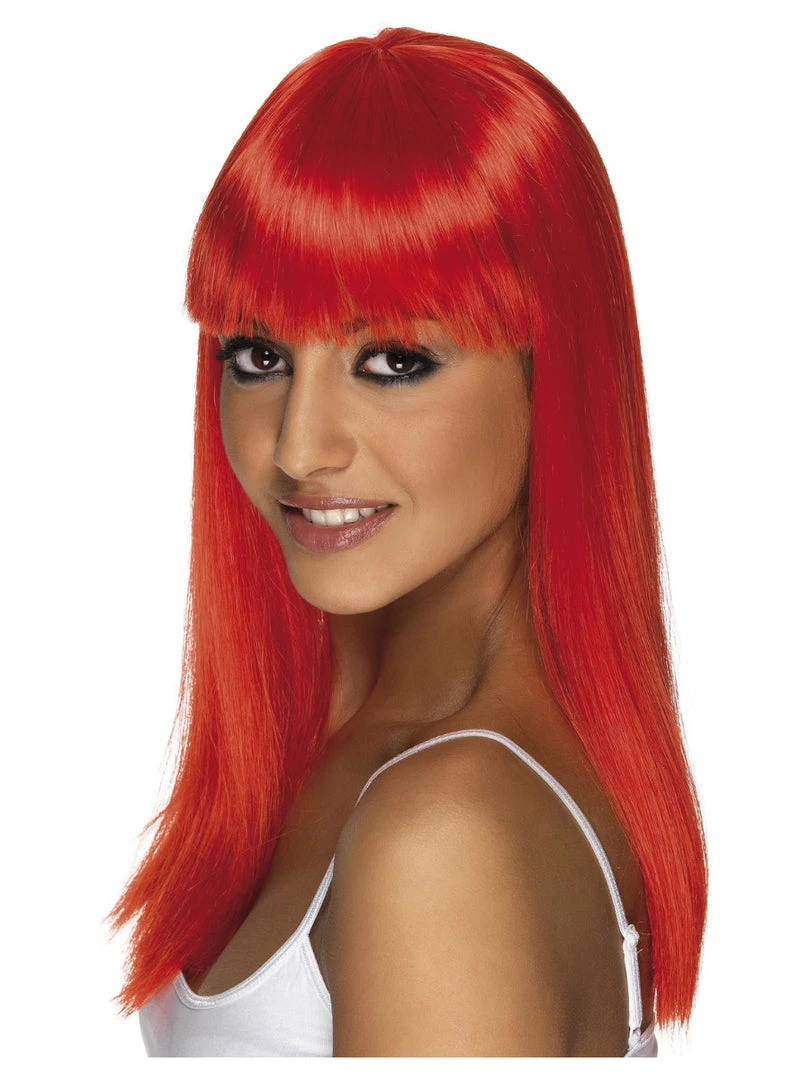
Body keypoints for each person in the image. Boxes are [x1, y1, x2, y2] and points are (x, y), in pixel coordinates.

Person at [108, 26, 708, 1057]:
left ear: (551, 367)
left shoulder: (444, 833)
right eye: (257, 355)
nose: (299, 447)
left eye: (392, 361)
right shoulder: (357, 746)